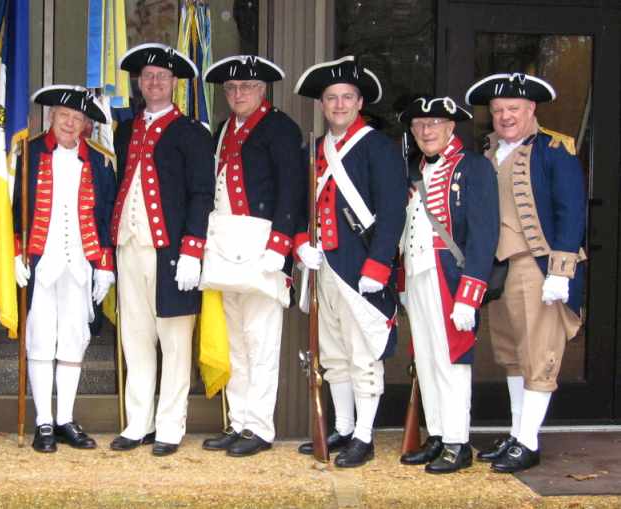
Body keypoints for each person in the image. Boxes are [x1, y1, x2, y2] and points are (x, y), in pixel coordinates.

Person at [465, 73, 586, 473]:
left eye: (513, 109)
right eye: (498, 111)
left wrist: (560, 271)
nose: (505, 116)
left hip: (536, 266)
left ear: (531, 109)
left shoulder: (555, 149)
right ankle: (518, 433)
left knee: (538, 354)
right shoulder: (487, 151)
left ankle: (528, 442)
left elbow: (571, 211)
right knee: (512, 355)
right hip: (498, 270)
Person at [293, 55, 406, 468]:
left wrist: (379, 265)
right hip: (324, 267)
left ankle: (365, 434)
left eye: (346, 97)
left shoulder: (378, 147)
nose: (338, 105)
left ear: (360, 103)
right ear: (322, 105)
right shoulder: (315, 148)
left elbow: (393, 211)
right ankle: (342, 426)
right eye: (331, 98)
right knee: (334, 354)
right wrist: (303, 242)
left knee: (363, 355)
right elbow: (300, 204)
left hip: (361, 270)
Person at [109, 43, 215, 456]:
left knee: (174, 341)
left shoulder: (191, 132)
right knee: (135, 338)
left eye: (162, 76)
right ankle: (139, 422)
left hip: (171, 252)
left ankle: (170, 425)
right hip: (127, 245)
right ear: (139, 82)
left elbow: (202, 193)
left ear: (175, 84)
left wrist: (193, 249)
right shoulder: (124, 129)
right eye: (148, 76)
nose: (154, 82)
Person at [199, 55, 302, 457]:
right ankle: (238, 420)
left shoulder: (280, 128)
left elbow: (291, 187)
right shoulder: (223, 129)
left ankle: (260, 427)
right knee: (236, 342)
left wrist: (281, 244)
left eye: (247, 87)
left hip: (262, 247)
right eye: (231, 88)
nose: (238, 94)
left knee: (260, 342)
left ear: (263, 90)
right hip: (226, 245)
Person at [396, 97, 499, 473]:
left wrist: (469, 295)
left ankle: (458, 441)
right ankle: (438, 435)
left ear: (451, 127)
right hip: (419, 274)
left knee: (454, 362)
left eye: (435, 122)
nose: (427, 130)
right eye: (420, 124)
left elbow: (484, 235)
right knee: (426, 359)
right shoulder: (414, 171)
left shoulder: (473, 168)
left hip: (452, 279)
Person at [13, 85, 116, 453]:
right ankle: (42, 421)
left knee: (74, 338)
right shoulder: (27, 153)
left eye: (78, 119)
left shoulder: (101, 161)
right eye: (64, 116)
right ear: (51, 117)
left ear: (86, 124)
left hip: (81, 260)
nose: (70, 124)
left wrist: (104, 264)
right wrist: (14, 253)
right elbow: (14, 209)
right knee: (40, 336)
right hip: (40, 259)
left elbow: (105, 217)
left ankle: (64, 419)